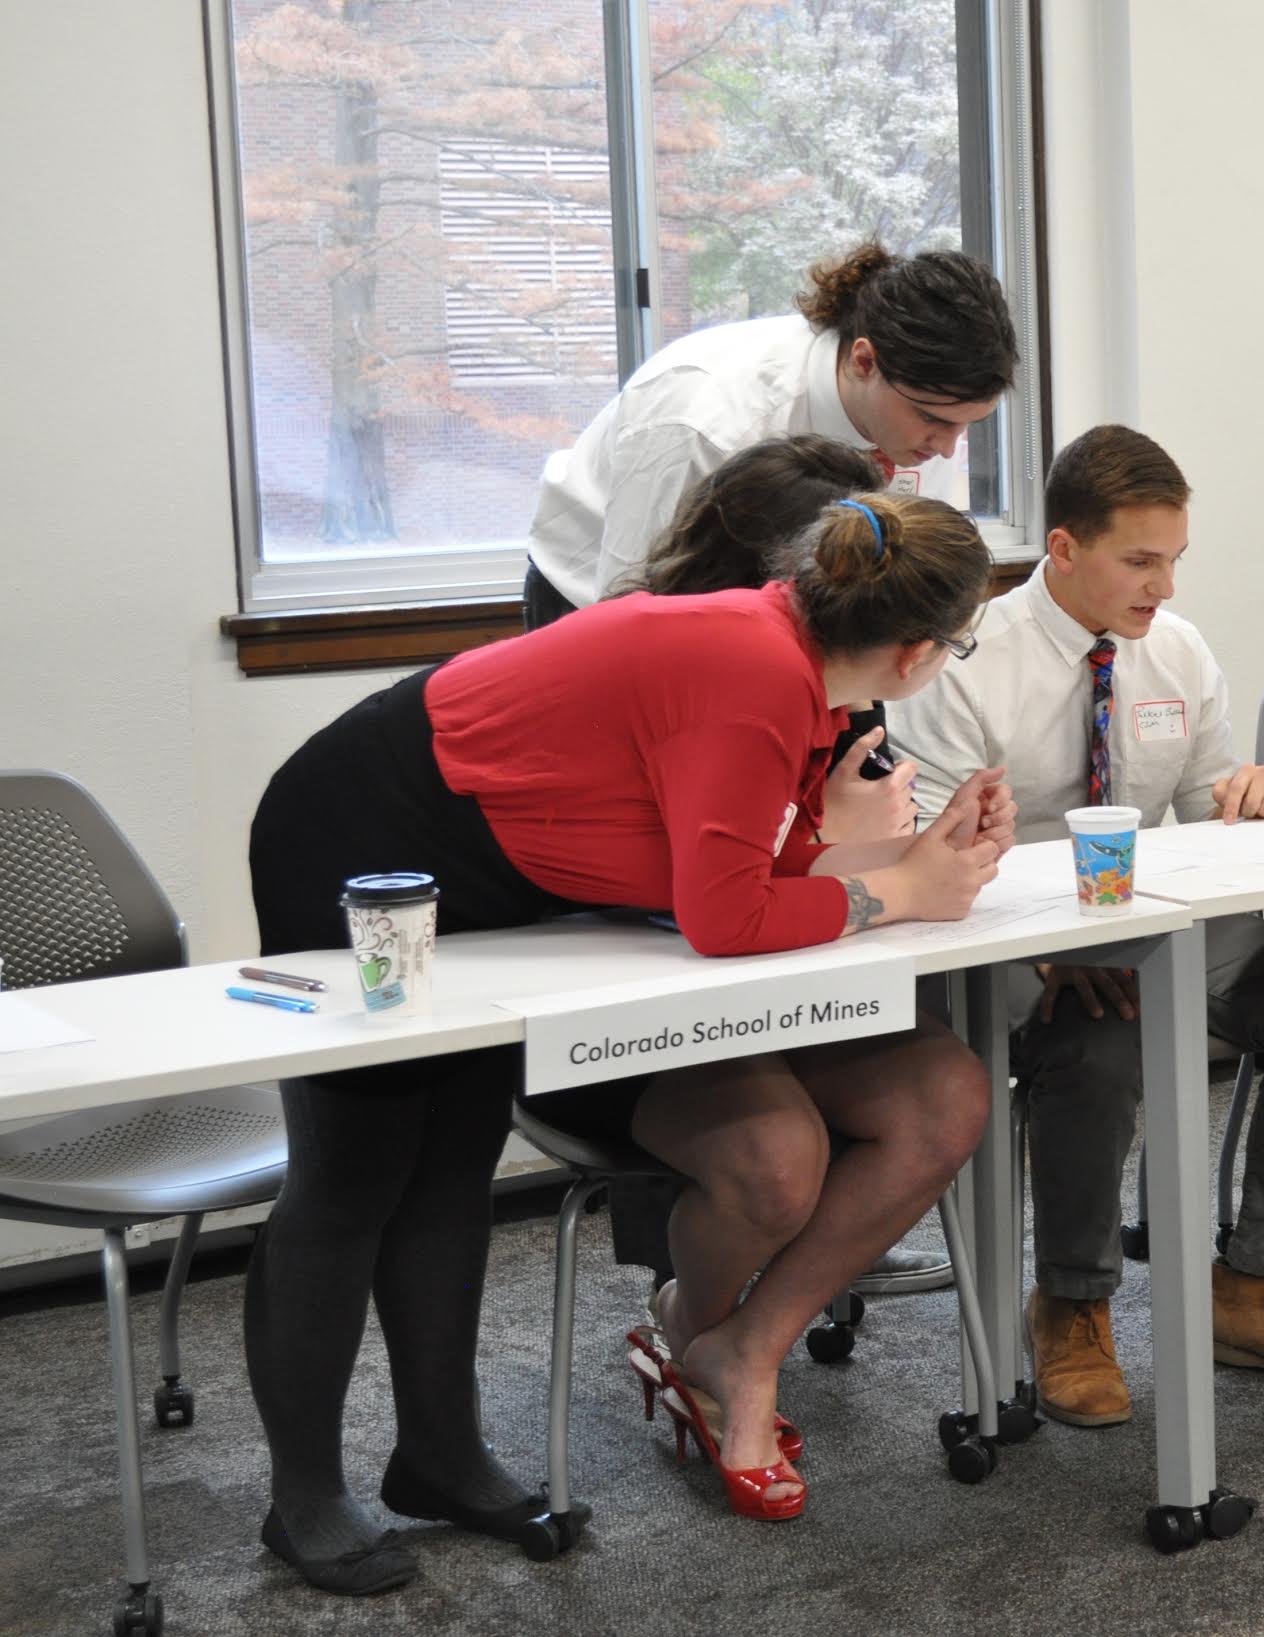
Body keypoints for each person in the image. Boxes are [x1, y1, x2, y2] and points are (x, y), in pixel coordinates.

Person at [245, 494, 1005, 1593]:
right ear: (917, 648)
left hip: (487, 862)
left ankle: (438, 1455)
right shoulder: (753, 671)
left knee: (451, 1160)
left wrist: (866, 858)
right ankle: (303, 1493)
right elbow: (727, 916)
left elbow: (735, 867)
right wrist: (894, 894)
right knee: (355, 1171)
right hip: (365, 826)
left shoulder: (794, 666)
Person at [892, 424, 1264, 1424]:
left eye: (1173, 559)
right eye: (1138, 560)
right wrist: (1046, 944)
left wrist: (1255, 796)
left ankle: (1256, 1287)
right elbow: (925, 854)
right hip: (994, 933)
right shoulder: (967, 656)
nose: (1161, 587)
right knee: (1099, 1040)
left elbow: (1209, 817)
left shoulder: (1176, 648)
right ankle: (1072, 1303)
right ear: (1064, 546)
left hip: (1148, 917)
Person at [599, 435, 959, 1294]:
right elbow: (709, 892)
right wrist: (823, 831)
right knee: (774, 1152)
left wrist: (866, 843)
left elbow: (819, 847)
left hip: (794, 976)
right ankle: (705, 1300)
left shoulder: (838, 665)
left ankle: (802, 1263)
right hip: (661, 995)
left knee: (940, 1081)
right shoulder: (708, 666)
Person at [523, 239, 1017, 624]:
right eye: (934, 420)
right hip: (597, 601)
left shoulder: (911, 425)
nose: (948, 448)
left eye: (968, 427)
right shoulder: (709, 421)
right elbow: (626, 611)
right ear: (865, 361)